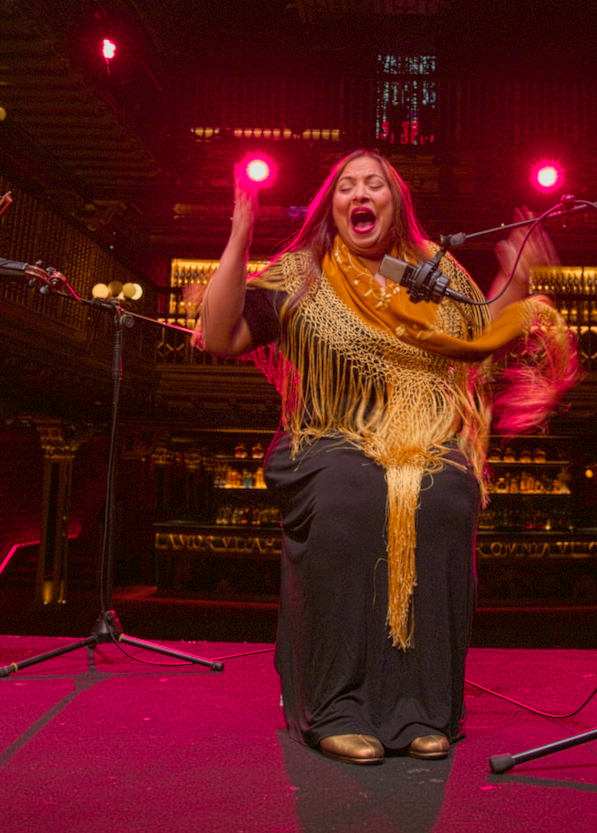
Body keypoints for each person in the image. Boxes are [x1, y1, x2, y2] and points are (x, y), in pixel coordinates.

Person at [197, 150, 576, 764]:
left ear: (397, 204)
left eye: (375, 184)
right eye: (346, 185)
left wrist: (519, 280)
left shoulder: (432, 271)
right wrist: (240, 236)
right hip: (330, 435)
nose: (360, 193)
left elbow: (480, 341)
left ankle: (422, 708)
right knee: (352, 489)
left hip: (426, 437)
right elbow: (220, 336)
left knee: (447, 490)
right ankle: (337, 706)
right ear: (333, 206)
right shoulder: (302, 273)